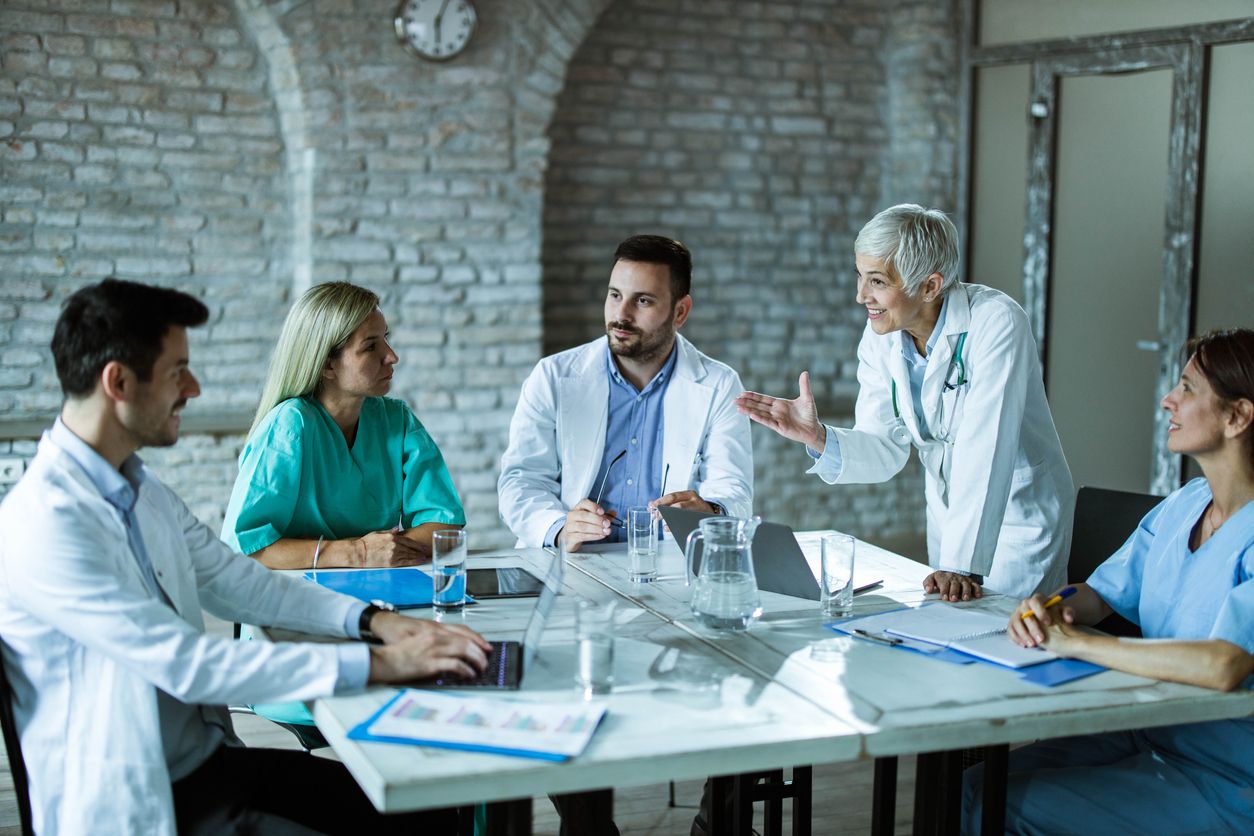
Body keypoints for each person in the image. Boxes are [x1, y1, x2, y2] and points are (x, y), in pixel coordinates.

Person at [0, 279, 490, 834]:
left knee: (429, 817)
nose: (195, 388)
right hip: (147, 804)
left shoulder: (142, 490)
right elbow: (188, 664)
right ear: (118, 382)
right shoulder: (44, 523)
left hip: (209, 766)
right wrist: (380, 662)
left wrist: (375, 622)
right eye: (177, 370)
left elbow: (240, 579)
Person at [962, 328, 1254, 835]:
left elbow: (1225, 663)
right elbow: (1099, 594)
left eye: (1187, 389)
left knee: (999, 805)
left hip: (1226, 777)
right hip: (1143, 733)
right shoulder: (1186, 503)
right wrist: (1052, 607)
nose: (1168, 400)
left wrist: (1078, 644)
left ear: (1237, 416)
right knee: (971, 786)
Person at [736, 204, 1073, 600]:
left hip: (1019, 516)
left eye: (877, 281)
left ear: (930, 286)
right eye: (860, 277)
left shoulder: (996, 322)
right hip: (950, 517)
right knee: (958, 635)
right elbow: (885, 448)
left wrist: (961, 563)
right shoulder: (881, 338)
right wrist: (819, 437)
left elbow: (988, 444)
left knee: (1013, 638)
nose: (861, 295)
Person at [498, 234, 753, 551]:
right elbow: (521, 481)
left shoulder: (719, 385)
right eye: (615, 295)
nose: (621, 314)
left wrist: (711, 511)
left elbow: (733, 491)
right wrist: (559, 528)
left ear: (680, 312)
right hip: (571, 565)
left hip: (669, 568)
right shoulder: (552, 376)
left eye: (643, 300)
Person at [221, 281, 464, 569]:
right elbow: (245, 547)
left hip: (375, 592)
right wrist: (358, 553)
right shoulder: (290, 426)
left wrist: (385, 552)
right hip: (294, 599)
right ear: (327, 365)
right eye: (371, 346)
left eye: (385, 338)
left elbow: (442, 526)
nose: (392, 356)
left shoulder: (396, 420)